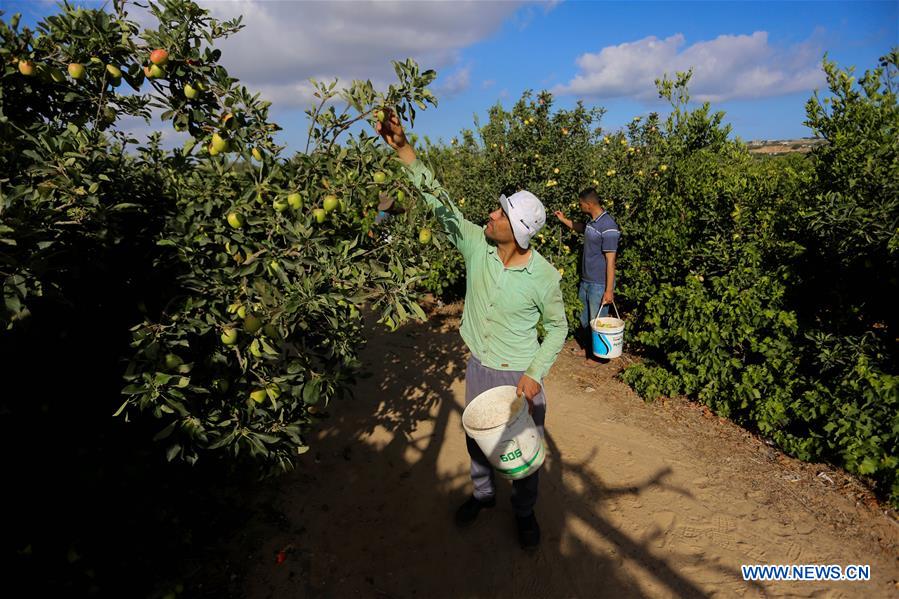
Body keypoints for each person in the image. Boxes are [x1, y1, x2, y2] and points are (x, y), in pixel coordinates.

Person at [375, 110, 567, 550]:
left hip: (518, 376)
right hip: (480, 367)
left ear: (517, 232)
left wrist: (535, 373)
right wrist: (405, 150)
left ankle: (524, 512)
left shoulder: (544, 277)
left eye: (500, 213)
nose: (491, 214)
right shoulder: (475, 246)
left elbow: (556, 328)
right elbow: (438, 201)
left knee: (520, 454)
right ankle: (482, 495)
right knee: (478, 440)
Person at [553, 188, 619, 362]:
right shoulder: (592, 222)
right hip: (586, 281)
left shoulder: (609, 227)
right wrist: (563, 220)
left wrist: (609, 290)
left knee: (597, 321)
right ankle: (590, 350)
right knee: (585, 319)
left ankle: (600, 356)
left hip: (599, 284)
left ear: (589, 204)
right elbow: (582, 228)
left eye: (581, 203)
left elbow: (611, 262)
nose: (579, 205)